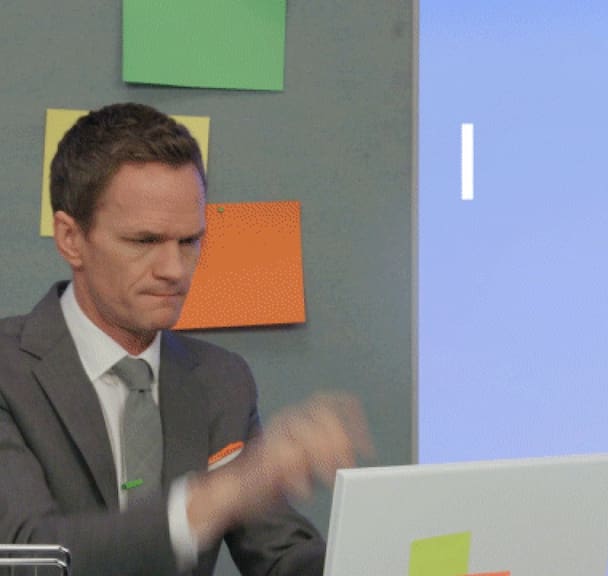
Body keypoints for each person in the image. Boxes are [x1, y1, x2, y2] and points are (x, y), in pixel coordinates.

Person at [0, 102, 371, 575]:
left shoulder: (221, 380)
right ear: (70, 238)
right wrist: (219, 497)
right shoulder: (9, 374)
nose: (174, 270)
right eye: (144, 241)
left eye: (190, 241)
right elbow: (28, 555)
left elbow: (280, 555)